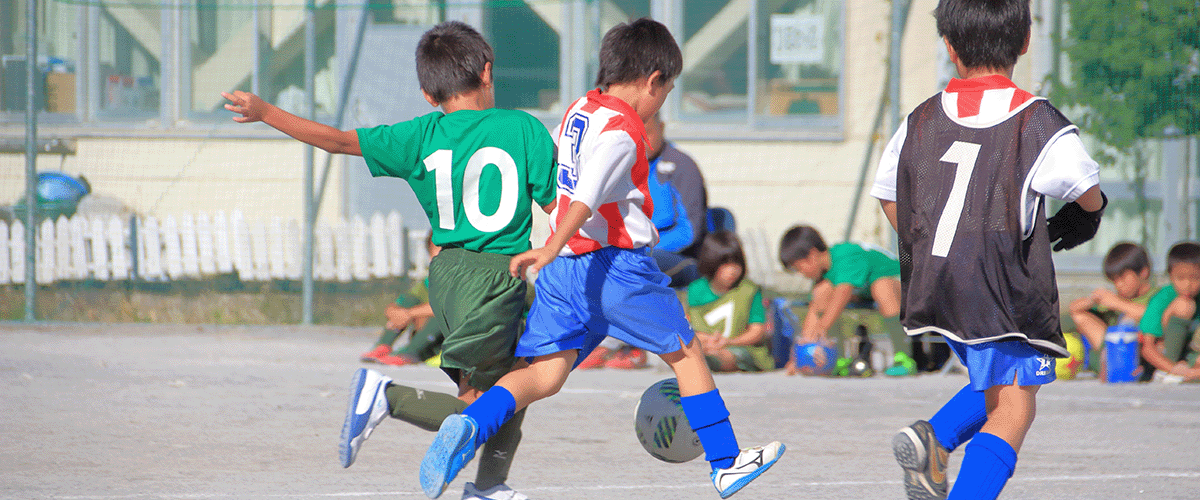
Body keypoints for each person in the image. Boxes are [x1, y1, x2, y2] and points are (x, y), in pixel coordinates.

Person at [417, 19, 784, 500]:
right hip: (615, 267)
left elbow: (553, 165)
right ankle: (726, 461)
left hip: (565, 271)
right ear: (653, 81)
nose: (660, 104)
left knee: (545, 373)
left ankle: (471, 423)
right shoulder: (623, 131)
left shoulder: (579, 110)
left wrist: (553, 247)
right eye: (666, 91)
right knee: (687, 352)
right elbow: (585, 197)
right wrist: (549, 243)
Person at [222, 21, 558, 500]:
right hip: (494, 277)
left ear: (427, 94)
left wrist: (265, 111)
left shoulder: (421, 134)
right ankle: (387, 398)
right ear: (487, 72)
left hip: (444, 277)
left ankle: (487, 486)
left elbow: (337, 140)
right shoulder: (524, 127)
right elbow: (558, 206)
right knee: (502, 395)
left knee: (500, 388)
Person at [870, 1, 1106, 498]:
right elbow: (1086, 189)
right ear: (1024, 43)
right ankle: (947, 457)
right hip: (1002, 289)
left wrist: (927, 245)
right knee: (1016, 404)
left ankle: (933, 439)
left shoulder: (920, 118)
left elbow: (889, 193)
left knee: (1004, 380)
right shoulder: (1036, 121)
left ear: (949, 47)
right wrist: (1086, 213)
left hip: (937, 285)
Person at [778, 225, 913, 376]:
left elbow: (844, 292)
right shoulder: (825, 276)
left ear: (812, 254)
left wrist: (823, 326)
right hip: (868, 291)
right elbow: (814, 313)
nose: (801, 274)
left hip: (905, 284)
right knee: (821, 292)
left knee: (882, 287)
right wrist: (799, 356)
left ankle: (904, 356)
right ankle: (838, 359)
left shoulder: (845, 254)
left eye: (799, 268)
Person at [686, 231, 773, 373]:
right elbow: (696, 330)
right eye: (725, 265)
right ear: (711, 263)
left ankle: (709, 362)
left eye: (736, 264)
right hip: (707, 346)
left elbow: (757, 331)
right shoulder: (696, 290)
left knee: (725, 356)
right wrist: (709, 342)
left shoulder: (749, 290)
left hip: (742, 349)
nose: (732, 271)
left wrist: (728, 342)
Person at [1066, 242, 1154, 374]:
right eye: (1114, 280)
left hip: (1142, 355)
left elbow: (1152, 316)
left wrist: (1117, 303)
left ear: (1143, 272)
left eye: (1122, 278)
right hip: (1107, 351)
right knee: (1078, 317)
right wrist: (1093, 299)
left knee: (1129, 319)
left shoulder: (1158, 296)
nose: (1118, 285)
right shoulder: (1116, 298)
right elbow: (1073, 309)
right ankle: (1108, 362)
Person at [361, 236, 444, 366]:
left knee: (442, 313)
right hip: (424, 337)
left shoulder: (462, 280)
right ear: (430, 255)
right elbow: (400, 303)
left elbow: (448, 307)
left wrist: (410, 314)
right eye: (439, 251)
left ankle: (410, 352)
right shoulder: (429, 282)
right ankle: (384, 344)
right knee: (408, 301)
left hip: (445, 342)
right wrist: (395, 312)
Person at [1138, 242, 1200, 382]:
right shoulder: (1161, 299)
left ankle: (1188, 375)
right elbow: (1147, 348)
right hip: (1163, 358)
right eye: (1180, 278)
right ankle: (1172, 375)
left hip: (1191, 356)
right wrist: (1172, 368)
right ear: (1171, 276)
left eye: (1195, 278)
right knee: (1185, 305)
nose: (1188, 285)